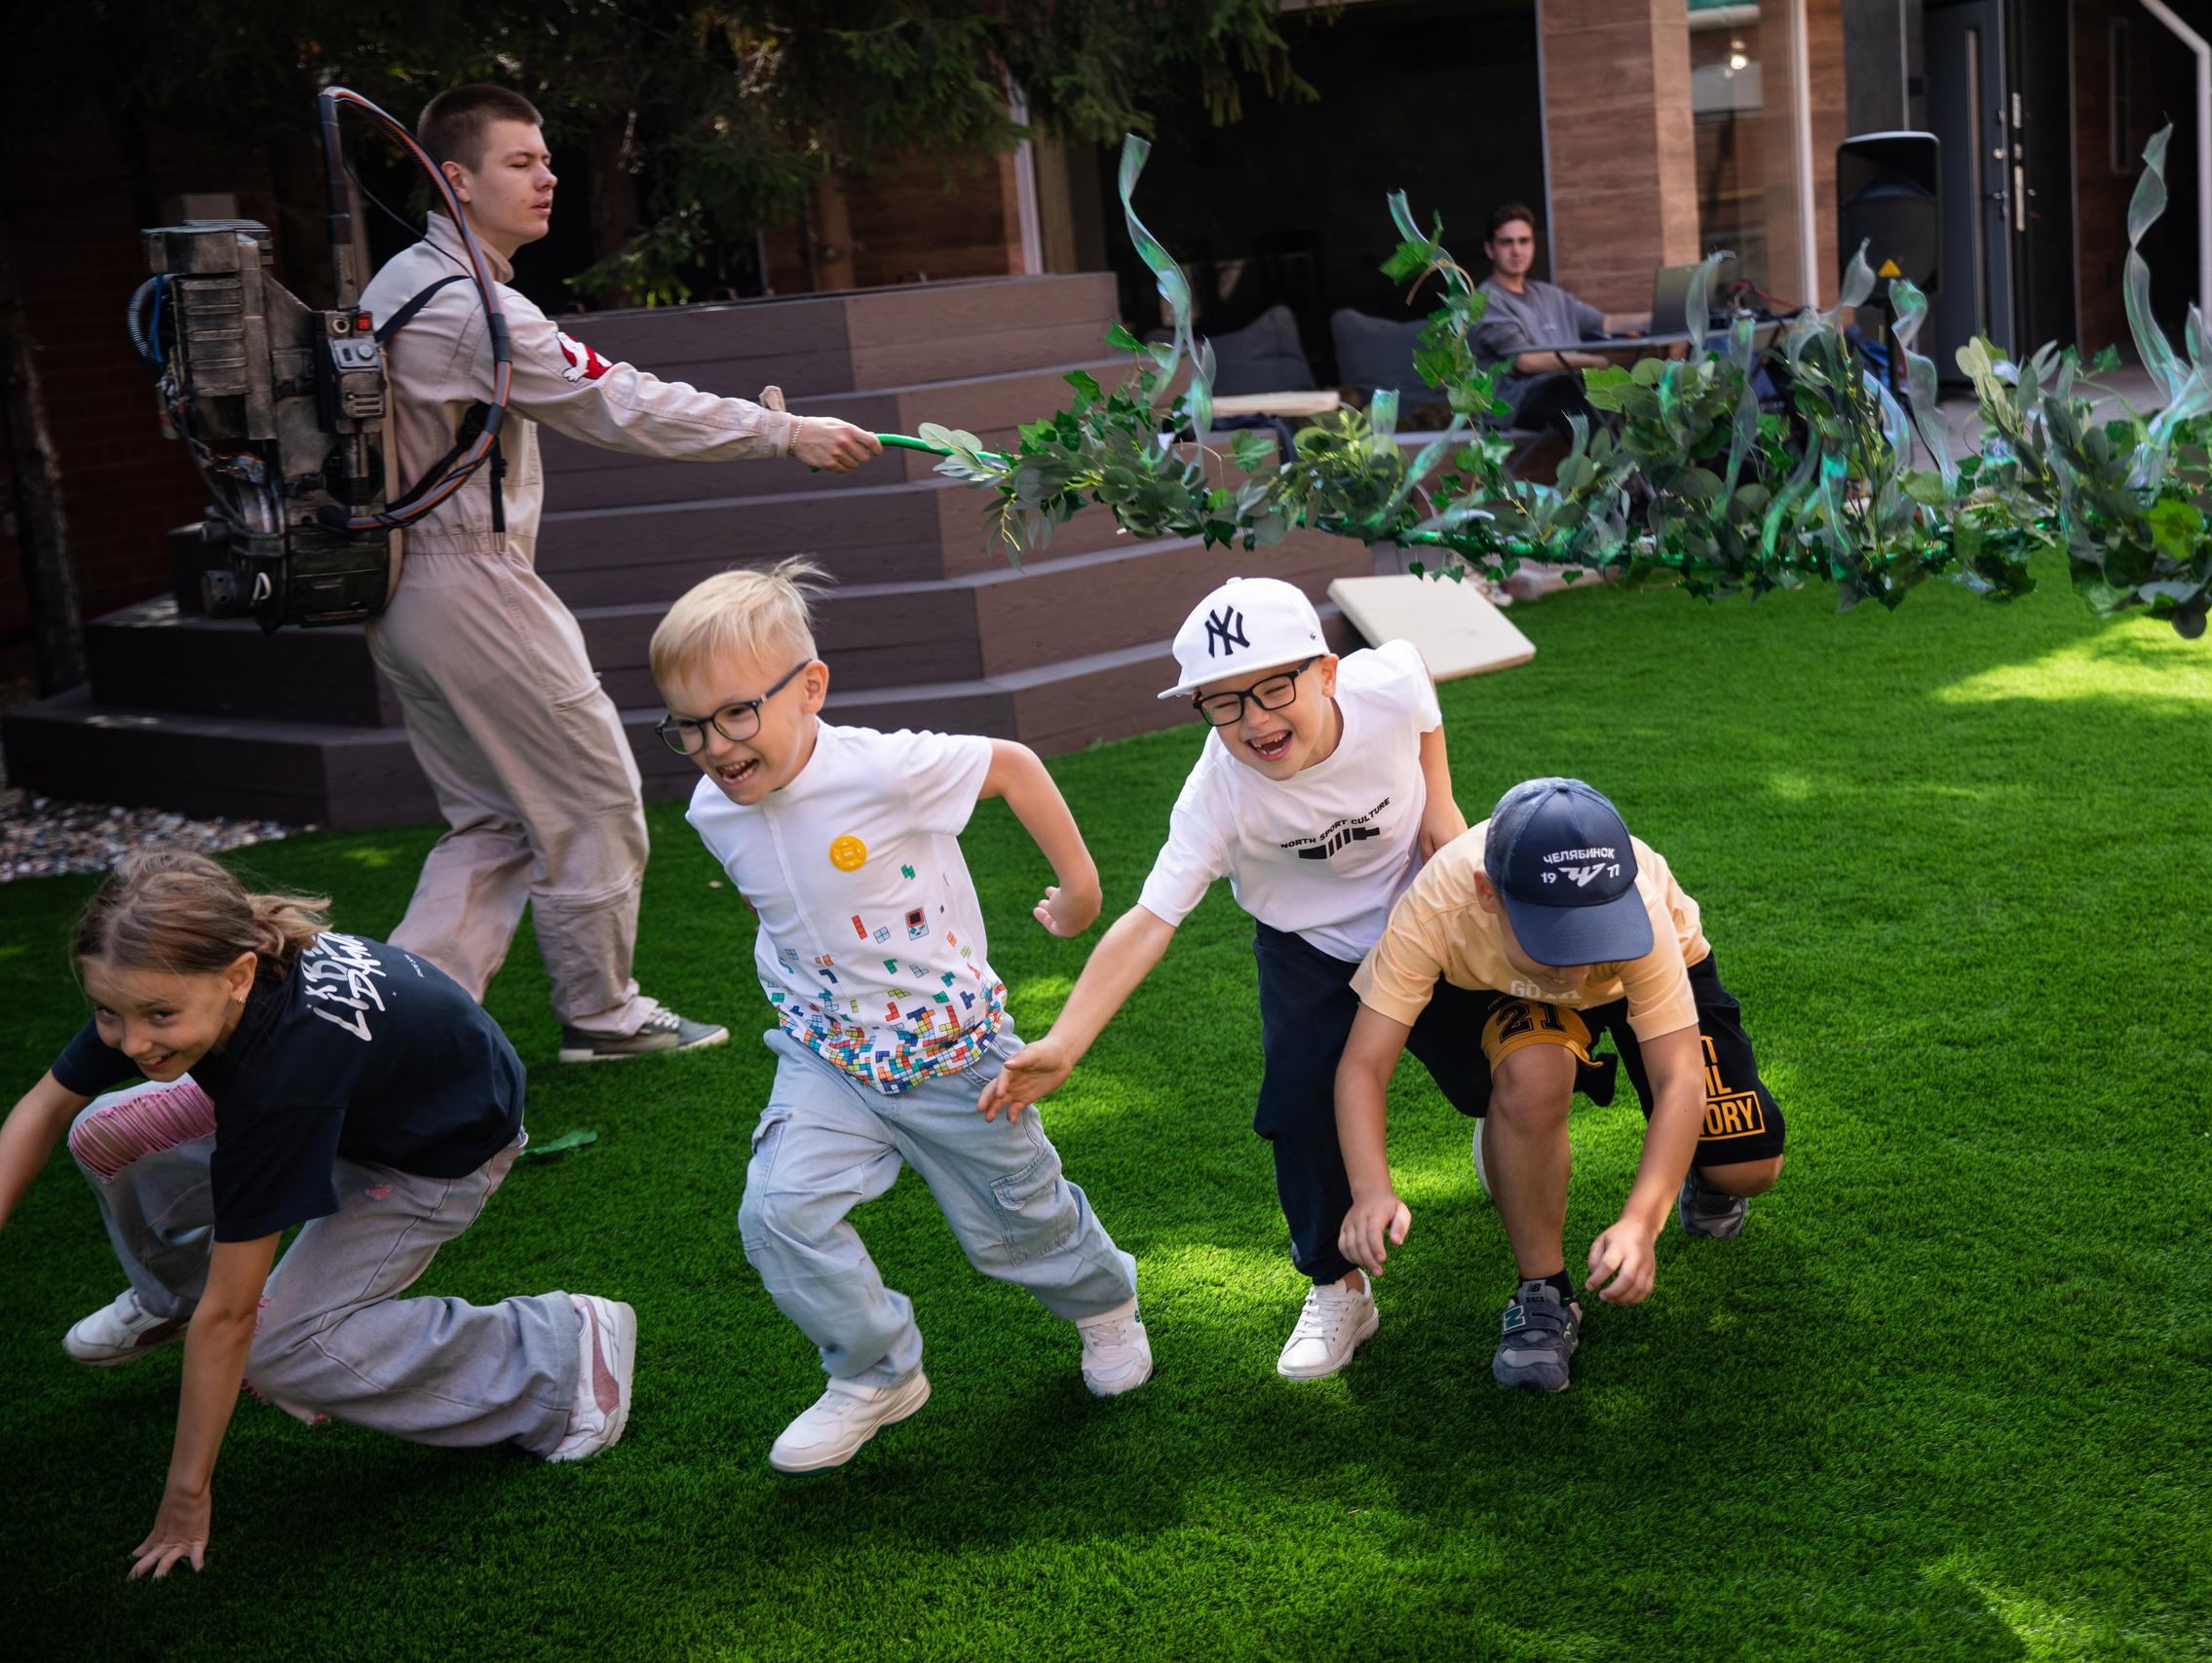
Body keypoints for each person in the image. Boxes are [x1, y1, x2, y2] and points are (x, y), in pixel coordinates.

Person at [361, 84, 884, 1064]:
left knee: (492, 826)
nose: (548, 175)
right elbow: (622, 403)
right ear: (453, 178)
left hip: (401, 594)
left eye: (546, 157)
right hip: (467, 581)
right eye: (521, 162)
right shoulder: (475, 309)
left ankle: (388, 1041)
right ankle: (601, 1017)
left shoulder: (405, 281)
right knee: (593, 800)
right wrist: (785, 432)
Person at [0, 851, 635, 1579]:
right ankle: (168, 1299)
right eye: (109, 1012)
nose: (132, 1041)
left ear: (238, 975)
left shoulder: (281, 1074)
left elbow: (234, 1316)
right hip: (357, 1102)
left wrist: (185, 1496)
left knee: (275, 1347)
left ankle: (560, 1356)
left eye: (157, 1017)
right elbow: (44, 1105)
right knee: (105, 1137)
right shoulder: (166, 971)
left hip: (434, 1152)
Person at [650, 559, 1149, 1473]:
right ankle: (877, 1373)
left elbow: (1016, 765)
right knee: (778, 1209)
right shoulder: (710, 809)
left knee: (1019, 1223)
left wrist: (1081, 889)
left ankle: (1106, 1306)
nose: (715, 747)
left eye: (734, 714)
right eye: (688, 726)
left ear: (810, 690)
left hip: (953, 1054)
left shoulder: (882, 767)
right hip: (826, 1054)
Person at [976, 578, 1467, 1381]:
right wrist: (1065, 1041)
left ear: (1328, 672)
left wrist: (1441, 813)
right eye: (1225, 702)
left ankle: (1500, 1140)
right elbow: (1148, 921)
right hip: (1306, 947)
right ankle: (1338, 1288)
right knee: (1300, 1107)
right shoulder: (1217, 792)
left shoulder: (1389, 680)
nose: (1257, 720)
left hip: (1421, 910)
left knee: (1498, 1072)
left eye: (1277, 687)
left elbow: (1421, 706)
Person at [1336, 778, 1788, 1394]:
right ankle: (1543, 1294)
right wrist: (1370, 1190)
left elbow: (1680, 1075)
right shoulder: (1438, 905)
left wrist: (1641, 1221)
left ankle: (1702, 1178)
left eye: (1594, 929)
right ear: (1487, 895)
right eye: (1555, 935)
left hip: (1645, 976)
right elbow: (1364, 1064)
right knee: (1532, 1081)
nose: (1575, 963)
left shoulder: (1645, 909)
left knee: (1749, 1168)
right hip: (1505, 987)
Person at [1470, 203, 1635, 432]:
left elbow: (1606, 323)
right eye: (1507, 242)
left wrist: (1660, 318)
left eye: (1524, 241)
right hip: (1516, 400)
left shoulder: (1549, 294)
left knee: (1635, 392)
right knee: (1576, 397)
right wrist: (1593, 362)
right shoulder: (1486, 300)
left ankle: (1636, 465)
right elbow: (1527, 361)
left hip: (1568, 385)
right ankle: (1602, 467)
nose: (1517, 250)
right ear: (1490, 250)